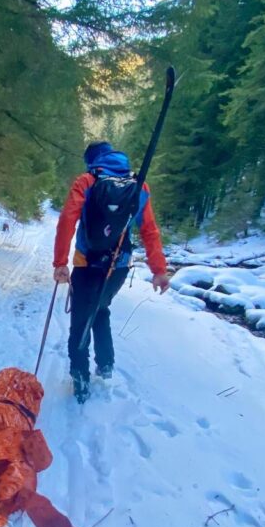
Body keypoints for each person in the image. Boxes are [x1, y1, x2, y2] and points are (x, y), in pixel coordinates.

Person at [53, 141, 171, 402]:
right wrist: (159, 270)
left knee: (81, 320)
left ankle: (80, 378)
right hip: (117, 267)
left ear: (92, 161)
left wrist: (60, 262)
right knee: (101, 309)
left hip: (87, 265)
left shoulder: (86, 181)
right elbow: (149, 230)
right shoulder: (139, 186)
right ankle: (105, 364)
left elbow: (67, 221)